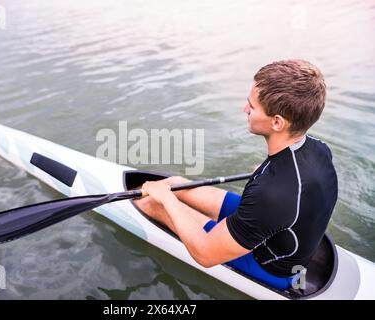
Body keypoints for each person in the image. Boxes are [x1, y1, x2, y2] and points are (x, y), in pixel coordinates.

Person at [134, 60, 338, 291]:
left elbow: (205, 255)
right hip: (278, 222)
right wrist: (265, 175)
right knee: (176, 184)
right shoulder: (318, 148)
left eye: (252, 106)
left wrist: (167, 200)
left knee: (153, 203)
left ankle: (151, 205)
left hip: (272, 265)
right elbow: (294, 187)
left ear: (277, 122)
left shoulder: (272, 195)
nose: (245, 109)